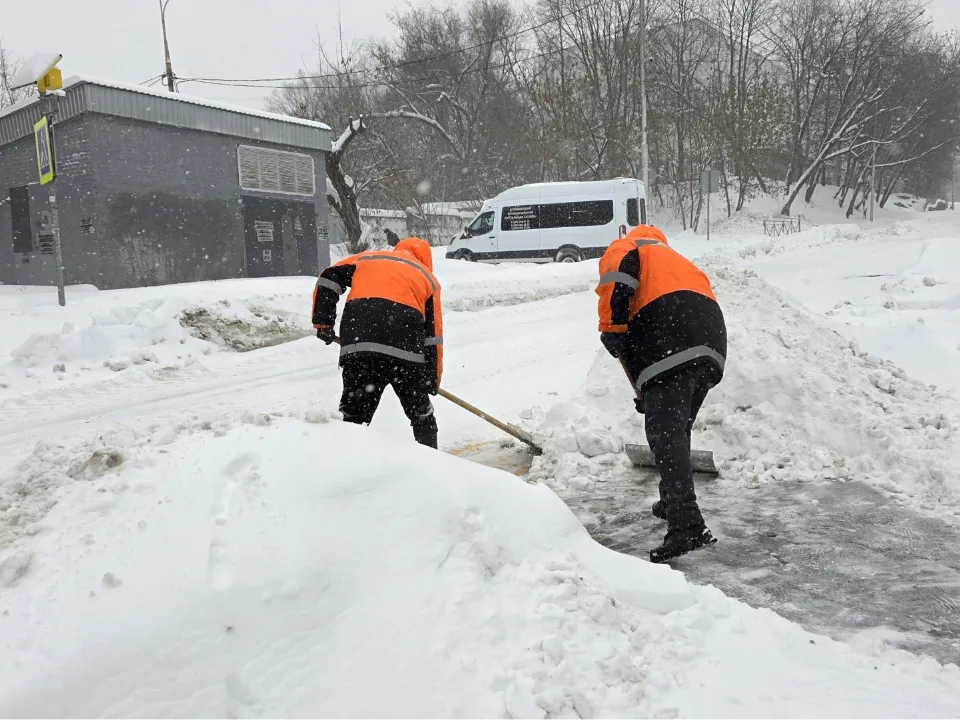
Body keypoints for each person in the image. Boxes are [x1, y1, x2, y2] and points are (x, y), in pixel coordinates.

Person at [595, 224, 727, 563]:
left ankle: (688, 525)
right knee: (675, 428)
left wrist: (612, 328)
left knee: (664, 432)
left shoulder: (629, 247)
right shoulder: (674, 258)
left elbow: (617, 282)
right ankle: (672, 501)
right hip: (711, 340)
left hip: (670, 332)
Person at [312, 237, 443, 449]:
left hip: (360, 348)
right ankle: (434, 463)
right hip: (406, 356)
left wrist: (323, 322)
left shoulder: (368, 259)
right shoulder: (427, 278)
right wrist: (431, 378)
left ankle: (346, 464)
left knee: (354, 416)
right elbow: (433, 337)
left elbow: (329, 277)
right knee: (421, 416)